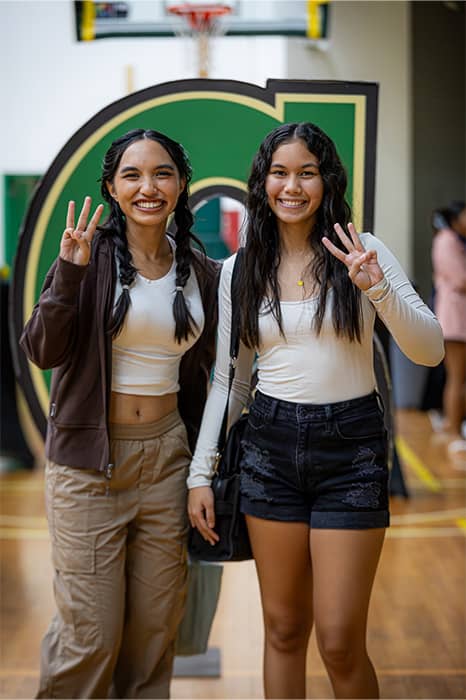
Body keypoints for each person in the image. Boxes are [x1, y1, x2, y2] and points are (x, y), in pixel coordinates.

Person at [187, 122, 444, 699]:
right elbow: (229, 380)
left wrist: (376, 289)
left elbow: (430, 350)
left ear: (327, 180)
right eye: (280, 172)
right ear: (263, 181)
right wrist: (200, 473)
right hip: (269, 451)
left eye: (307, 172)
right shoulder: (240, 268)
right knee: (282, 629)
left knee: (339, 639)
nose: (292, 186)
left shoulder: (364, 250)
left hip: (350, 453)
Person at [20, 128, 220, 698]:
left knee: (154, 632)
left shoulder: (199, 269)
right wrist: (68, 273)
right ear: (111, 187)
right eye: (132, 175)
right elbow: (40, 349)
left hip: (168, 461)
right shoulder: (89, 254)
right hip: (89, 466)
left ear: (181, 186)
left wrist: (203, 469)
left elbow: (211, 379)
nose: (148, 187)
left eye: (162, 173)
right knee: (91, 636)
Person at [431, 201, 466, 458]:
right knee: (456, 377)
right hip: (454, 319)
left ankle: (453, 426)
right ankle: (453, 430)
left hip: (460, 317)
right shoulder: (446, 240)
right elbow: (460, 279)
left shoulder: (457, 240)